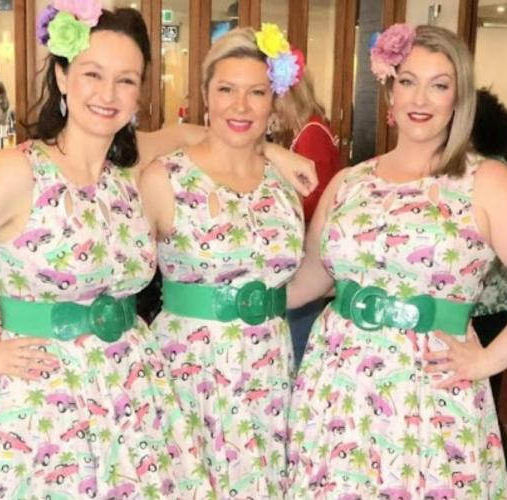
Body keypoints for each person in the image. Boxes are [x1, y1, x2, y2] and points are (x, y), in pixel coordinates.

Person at [0, 7, 217, 498]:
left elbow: (202, 134)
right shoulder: (18, 172)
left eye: (126, 80)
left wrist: (280, 152)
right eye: (92, 74)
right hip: (44, 402)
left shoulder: (127, 170)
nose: (108, 94)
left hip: (133, 396)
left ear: (140, 91)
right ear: (61, 76)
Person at [285, 24, 507, 498]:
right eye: (407, 80)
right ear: (390, 91)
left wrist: (487, 360)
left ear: (457, 99)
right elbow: (311, 280)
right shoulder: (349, 183)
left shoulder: (483, 180)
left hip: (428, 393)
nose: (420, 98)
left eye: (439, 84)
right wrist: (234, 294)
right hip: (338, 383)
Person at [139, 25, 305, 497]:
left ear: (272, 101)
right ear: (205, 96)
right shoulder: (165, 177)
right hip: (188, 374)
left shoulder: (284, 181)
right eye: (226, 89)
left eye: (256, 92)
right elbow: (117, 267)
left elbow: (301, 278)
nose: (240, 105)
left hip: (270, 370)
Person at [470, 88, 507, 499]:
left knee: (484, 412)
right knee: (488, 410)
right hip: (497, 305)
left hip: (488, 309)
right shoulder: (499, 165)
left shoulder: (487, 173)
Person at [273, 70, 340, 368]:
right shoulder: (307, 131)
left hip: (307, 252)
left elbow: (311, 197)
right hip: (304, 247)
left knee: (298, 337)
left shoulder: (312, 134)